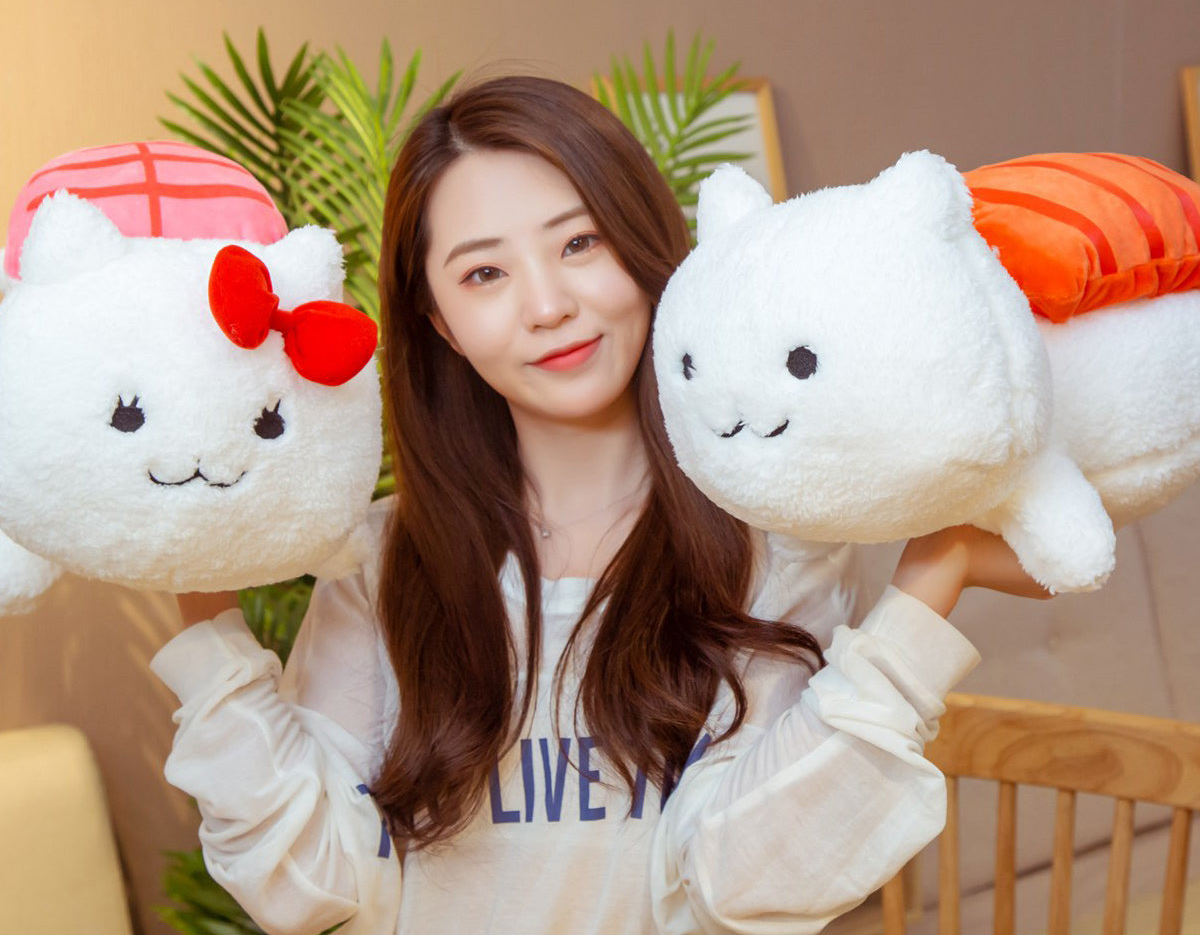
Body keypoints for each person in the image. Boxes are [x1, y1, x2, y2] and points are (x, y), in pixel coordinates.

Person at [157, 75, 1047, 935]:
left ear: (644, 246)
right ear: (436, 320)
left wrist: (933, 580)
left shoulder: (770, 551)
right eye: (483, 275)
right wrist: (197, 592)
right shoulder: (384, 561)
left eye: (579, 244)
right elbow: (312, 886)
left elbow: (752, 880)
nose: (548, 305)